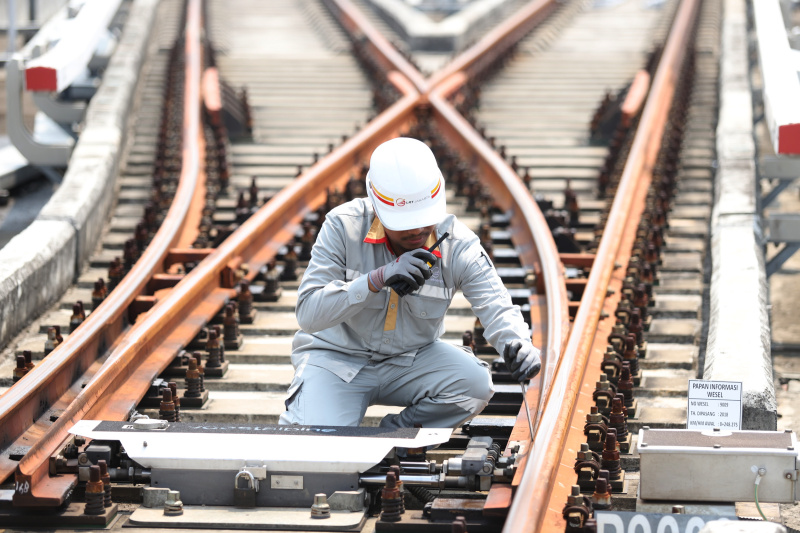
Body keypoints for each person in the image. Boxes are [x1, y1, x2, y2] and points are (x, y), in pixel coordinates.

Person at [279, 137, 541, 429]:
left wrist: (517, 342)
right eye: (404, 222)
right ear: (377, 207)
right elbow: (308, 314)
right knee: (309, 447)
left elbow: (498, 307)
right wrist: (375, 280)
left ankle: (396, 437)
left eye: (424, 219)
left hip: (411, 362)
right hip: (336, 361)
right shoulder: (343, 226)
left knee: (473, 385)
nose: (417, 230)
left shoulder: (459, 245)